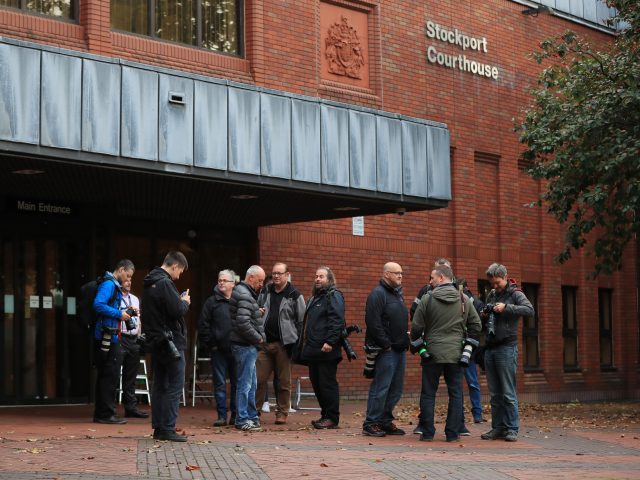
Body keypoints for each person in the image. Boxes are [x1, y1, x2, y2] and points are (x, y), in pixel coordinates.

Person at [410, 264, 481, 442]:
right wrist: (466, 344)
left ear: (441, 278)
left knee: (428, 393)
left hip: (431, 353)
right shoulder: (464, 299)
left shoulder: (428, 299)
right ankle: (452, 433)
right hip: (457, 354)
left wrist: (421, 345)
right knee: (456, 393)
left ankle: (427, 433)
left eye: (432, 278)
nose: (430, 281)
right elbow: (476, 325)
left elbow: (416, 326)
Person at [480, 263, 534, 443]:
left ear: (505, 277)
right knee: (494, 393)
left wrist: (507, 308)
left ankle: (512, 428)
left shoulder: (515, 294)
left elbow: (529, 310)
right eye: (492, 284)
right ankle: (498, 427)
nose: (494, 287)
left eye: (497, 283)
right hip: (491, 347)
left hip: (506, 348)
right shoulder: (491, 294)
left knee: (508, 392)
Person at [143, 251, 191, 442]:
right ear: (174, 266)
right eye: (180, 271)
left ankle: (159, 428)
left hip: (157, 341)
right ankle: (168, 428)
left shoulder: (149, 282)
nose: (179, 276)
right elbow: (176, 310)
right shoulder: (165, 282)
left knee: (160, 385)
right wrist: (184, 302)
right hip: (172, 342)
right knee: (175, 385)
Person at [362, 262, 409, 437]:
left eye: (401, 273)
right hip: (386, 350)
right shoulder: (377, 294)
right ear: (387, 274)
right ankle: (371, 422)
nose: (400, 276)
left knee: (396, 388)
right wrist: (386, 344)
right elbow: (373, 322)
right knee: (381, 387)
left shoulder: (397, 294)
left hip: (399, 349)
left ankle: (384, 420)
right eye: (397, 273)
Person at [256, 263, 305, 425]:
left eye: (279, 273)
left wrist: (295, 341)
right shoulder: (265, 291)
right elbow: (257, 309)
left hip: (284, 345)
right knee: (258, 379)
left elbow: (301, 321)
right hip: (264, 343)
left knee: (283, 381)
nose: (276, 276)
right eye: (274, 273)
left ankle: (282, 412)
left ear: (287, 275)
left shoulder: (294, 294)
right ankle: (254, 412)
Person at [298, 266, 345, 429]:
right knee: (317, 384)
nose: (318, 279)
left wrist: (330, 342)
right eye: (316, 276)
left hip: (326, 350)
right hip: (313, 350)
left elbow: (336, 320)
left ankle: (332, 417)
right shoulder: (315, 298)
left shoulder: (334, 296)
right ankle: (325, 415)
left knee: (327, 384)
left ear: (329, 279)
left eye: (322, 276)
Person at [93, 259, 136, 424]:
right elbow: (98, 305)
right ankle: (106, 414)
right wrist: (119, 314)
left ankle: (103, 413)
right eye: (127, 275)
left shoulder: (110, 284)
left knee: (107, 374)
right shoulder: (109, 284)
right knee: (109, 375)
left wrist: (123, 312)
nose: (127, 279)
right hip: (108, 336)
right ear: (121, 269)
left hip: (109, 335)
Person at [198, 269, 237, 427]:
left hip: (236, 349)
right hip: (218, 351)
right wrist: (212, 344)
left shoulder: (238, 301)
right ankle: (221, 415)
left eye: (224, 280)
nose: (221, 282)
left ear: (232, 284)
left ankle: (235, 415)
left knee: (237, 383)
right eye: (219, 280)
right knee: (219, 384)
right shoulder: (211, 302)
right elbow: (203, 325)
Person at [229, 265, 266, 432]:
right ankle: (243, 418)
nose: (261, 284)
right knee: (246, 384)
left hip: (244, 344)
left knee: (250, 383)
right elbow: (243, 323)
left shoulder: (243, 293)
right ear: (251, 278)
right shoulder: (245, 294)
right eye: (260, 280)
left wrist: (256, 312)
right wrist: (258, 338)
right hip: (245, 345)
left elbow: (243, 317)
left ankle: (251, 416)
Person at [456, 278, 486, 424]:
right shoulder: (455, 302)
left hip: (471, 350)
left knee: (472, 383)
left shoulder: (477, 303)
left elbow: (481, 326)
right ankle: (459, 414)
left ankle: (477, 414)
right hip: (457, 349)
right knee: (458, 384)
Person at [118, 278, 148, 419]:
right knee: (114, 374)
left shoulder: (135, 299)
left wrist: (140, 334)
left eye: (131, 280)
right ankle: (110, 408)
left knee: (131, 376)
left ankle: (131, 408)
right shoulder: (116, 298)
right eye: (126, 280)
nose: (129, 282)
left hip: (133, 339)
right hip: (120, 338)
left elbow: (139, 319)